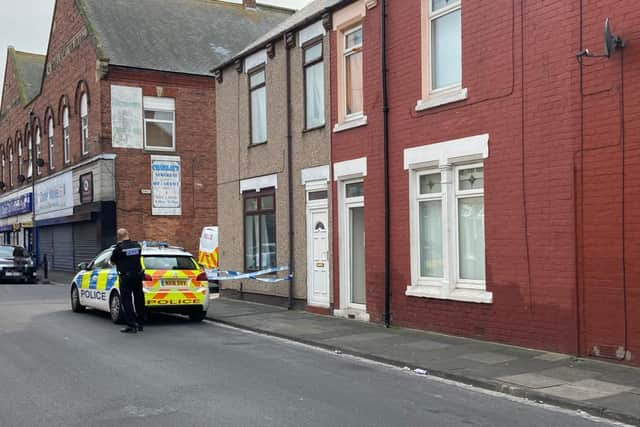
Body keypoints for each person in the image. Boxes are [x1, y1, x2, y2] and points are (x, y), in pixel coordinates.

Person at [110, 228, 145, 333]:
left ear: (119, 237)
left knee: (127, 300)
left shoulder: (118, 249)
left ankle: (131, 325)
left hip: (126, 277)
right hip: (138, 276)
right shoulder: (137, 246)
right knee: (139, 298)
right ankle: (140, 323)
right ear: (128, 234)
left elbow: (112, 262)